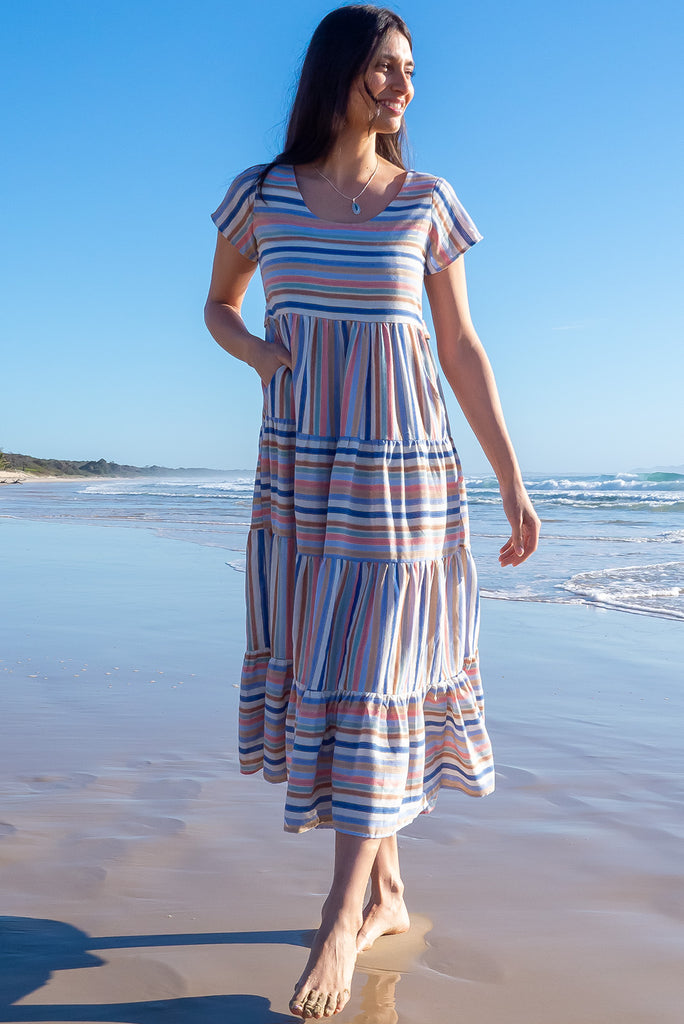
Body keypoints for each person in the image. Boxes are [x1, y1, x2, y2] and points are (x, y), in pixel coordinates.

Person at [204, 5, 540, 1019]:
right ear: (339, 73)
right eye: (385, 68)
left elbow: (462, 350)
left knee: (373, 669)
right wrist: (262, 355)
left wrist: (514, 483)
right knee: (351, 671)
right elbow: (219, 303)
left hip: (406, 478)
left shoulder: (428, 202)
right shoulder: (261, 195)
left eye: (409, 70)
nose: (402, 85)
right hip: (305, 471)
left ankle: (340, 919)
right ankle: (389, 888)